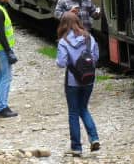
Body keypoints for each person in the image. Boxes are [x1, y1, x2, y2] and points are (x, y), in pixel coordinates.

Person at [56, 11, 101, 157]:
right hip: (89, 79)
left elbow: (61, 63)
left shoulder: (64, 42)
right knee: (84, 108)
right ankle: (94, 138)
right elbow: (95, 57)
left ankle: (76, 147)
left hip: (73, 81)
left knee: (74, 112)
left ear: (63, 25)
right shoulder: (89, 38)